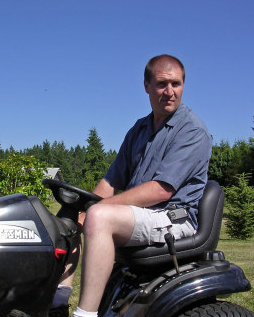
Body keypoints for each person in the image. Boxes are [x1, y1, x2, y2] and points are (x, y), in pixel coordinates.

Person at [50, 54, 212, 317]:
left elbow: (161, 190)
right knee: (66, 220)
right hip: (144, 214)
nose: (169, 92)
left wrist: (95, 210)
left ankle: (86, 314)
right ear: (147, 86)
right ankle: (56, 303)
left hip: (174, 217)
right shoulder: (139, 130)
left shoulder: (192, 131)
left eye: (176, 84)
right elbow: (112, 181)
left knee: (99, 216)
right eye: (161, 84)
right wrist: (79, 211)